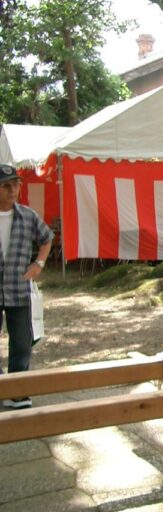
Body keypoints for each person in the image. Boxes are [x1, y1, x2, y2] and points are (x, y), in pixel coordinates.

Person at [0, 164, 53, 409]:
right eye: (6, 186)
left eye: (16, 185)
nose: (13, 190)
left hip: (19, 290)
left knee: (21, 342)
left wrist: (38, 264)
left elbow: (47, 238)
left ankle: (17, 393)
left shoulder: (27, 215)